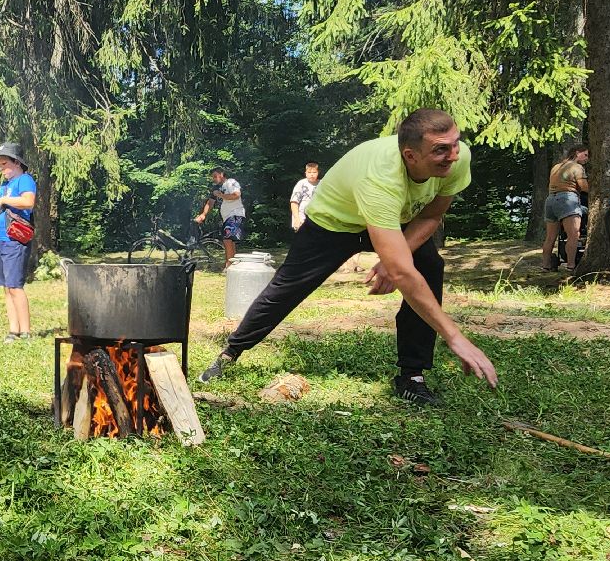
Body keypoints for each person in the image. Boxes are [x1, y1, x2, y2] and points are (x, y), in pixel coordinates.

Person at [198, 108, 498, 405]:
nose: (454, 155)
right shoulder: (380, 177)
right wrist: (454, 336)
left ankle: (412, 375)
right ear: (410, 155)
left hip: (396, 218)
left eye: (455, 143)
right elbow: (403, 274)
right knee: (287, 288)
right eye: (441, 150)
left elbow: (432, 215)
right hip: (334, 222)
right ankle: (231, 352)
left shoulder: (458, 159)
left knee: (430, 266)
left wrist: (397, 257)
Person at [0, 142, 36, 341]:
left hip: (15, 239)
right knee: (5, 287)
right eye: (0, 165)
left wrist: (3, 200)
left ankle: (26, 331)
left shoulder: (24, 180)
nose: (1, 169)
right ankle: (14, 330)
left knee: (15, 286)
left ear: (17, 162)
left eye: (4, 164)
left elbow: (28, 202)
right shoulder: (2, 187)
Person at [540, 146, 589, 272]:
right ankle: (571, 266)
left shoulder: (556, 167)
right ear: (577, 153)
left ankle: (545, 265)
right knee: (573, 234)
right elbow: (584, 187)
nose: (586, 159)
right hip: (567, 199)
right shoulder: (577, 167)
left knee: (550, 237)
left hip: (550, 200)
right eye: (585, 155)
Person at [194, 166, 245, 266]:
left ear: (221, 174)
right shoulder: (216, 188)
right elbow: (210, 202)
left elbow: (236, 195)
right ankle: (234, 264)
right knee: (230, 241)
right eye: (212, 177)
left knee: (227, 239)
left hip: (235, 213)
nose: (213, 179)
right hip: (227, 217)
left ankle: (228, 265)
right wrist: (203, 215)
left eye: (215, 176)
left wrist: (221, 195)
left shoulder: (231, 182)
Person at [290, 162, 321, 231]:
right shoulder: (301, 184)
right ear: (305, 173)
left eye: (314, 172)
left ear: (318, 172)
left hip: (317, 220)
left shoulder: (321, 184)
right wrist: (297, 219)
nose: (312, 174)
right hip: (302, 220)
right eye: (309, 172)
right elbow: (294, 202)